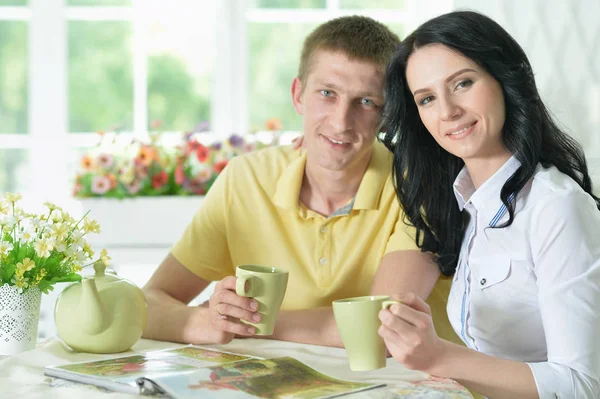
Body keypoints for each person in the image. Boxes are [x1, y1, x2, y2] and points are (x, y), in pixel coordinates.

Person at [142, 15, 461, 348]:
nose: (341, 122)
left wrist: (251, 321)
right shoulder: (245, 179)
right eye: (327, 93)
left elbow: (381, 328)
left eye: (366, 102)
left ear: (388, 112)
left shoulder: (423, 185)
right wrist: (208, 322)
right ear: (298, 94)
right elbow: (150, 302)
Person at [378, 10, 600, 399]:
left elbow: (582, 385)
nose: (447, 111)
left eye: (462, 83)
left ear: (504, 79)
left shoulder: (554, 206)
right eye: (427, 98)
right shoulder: (464, 205)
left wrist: (437, 357)